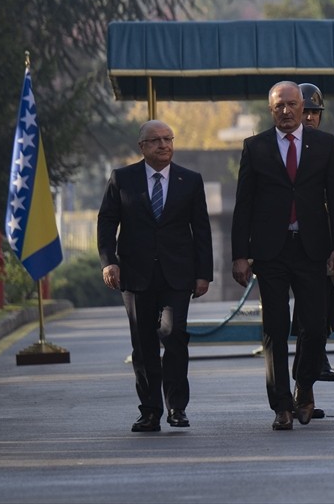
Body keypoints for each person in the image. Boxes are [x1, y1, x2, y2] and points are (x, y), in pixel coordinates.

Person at [231, 81, 334, 430]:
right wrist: (240, 255)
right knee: (276, 328)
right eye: (278, 105)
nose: (285, 111)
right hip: (271, 251)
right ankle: (281, 404)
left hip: (312, 249)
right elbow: (244, 206)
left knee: (314, 326)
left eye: (292, 104)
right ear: (271, 109)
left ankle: (304, 386)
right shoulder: (255, 147)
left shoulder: (324, 145)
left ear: (303, 108)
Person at [97, 120, 213, 433]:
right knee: (144, 343)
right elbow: (107, 222)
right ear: (142, 147)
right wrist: (109, 262)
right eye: (156, 140)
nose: (163, 145)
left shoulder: (189, 180)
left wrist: (204, 274)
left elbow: (201, 229)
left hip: (178, 274)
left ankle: (177, 407)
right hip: (135, 274)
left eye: (168, 139)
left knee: (173, 334)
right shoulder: (123, 179)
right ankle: (150, 411)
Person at [291, 83, 334, 387]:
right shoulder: (279, 150)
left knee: (317, 305)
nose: (309, 118)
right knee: (309, 307)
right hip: (288, 241)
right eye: (304, 111)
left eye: (314, 113)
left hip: (323, 242)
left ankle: (314, 361)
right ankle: (312, 362)